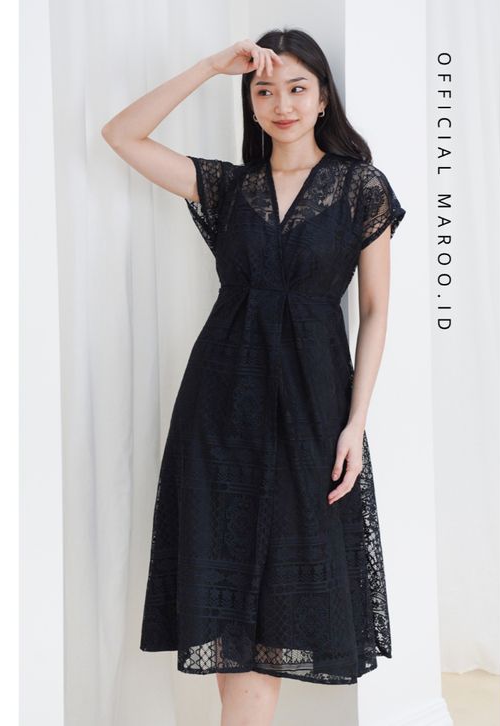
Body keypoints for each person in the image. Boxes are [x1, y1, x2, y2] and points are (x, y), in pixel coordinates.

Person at [102, 27, 405, 726]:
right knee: (228, 604)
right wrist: (210, 67)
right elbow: (122, 135)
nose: (282, 104)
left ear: (323, 97)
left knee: (283, 604)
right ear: (250, 102)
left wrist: (356, 425)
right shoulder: (231, 188)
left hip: (313, 410)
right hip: (220, 410)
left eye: (297, 88)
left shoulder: (360, 187)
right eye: (264, 91)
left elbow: (375, 311)